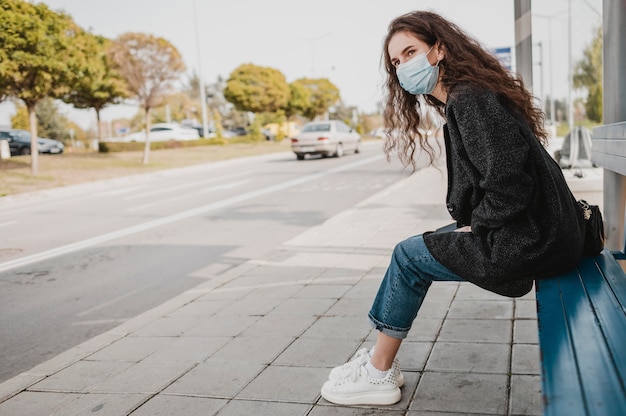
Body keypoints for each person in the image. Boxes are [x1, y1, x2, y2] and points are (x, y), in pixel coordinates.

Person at [320, 10, 586, 406]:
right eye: (396, 61)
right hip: (537, 233)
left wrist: (477, 226)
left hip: (531, 240)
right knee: (417, 248)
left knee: (408, 257)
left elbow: (510, 187)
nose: (403, 65)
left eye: (411, 52)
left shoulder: (470, 100)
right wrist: (472, 223)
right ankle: (379, 362)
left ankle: (378, 372)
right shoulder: (464, 100)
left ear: (439, 50)